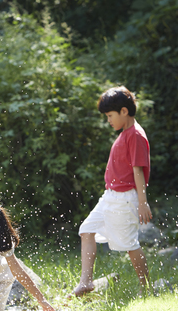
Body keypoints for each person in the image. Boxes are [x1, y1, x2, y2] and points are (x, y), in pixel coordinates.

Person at [70, 86, 152, 298]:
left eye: (110, 115)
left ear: (124, 111)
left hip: (125, 198)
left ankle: (147, 287)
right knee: (86, 230)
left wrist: (142, 203)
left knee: (130, 244)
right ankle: (86, 282)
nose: (108, 120)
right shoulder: (125, 133)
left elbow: (138, 171)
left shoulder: (135, 135)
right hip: (110, 196)